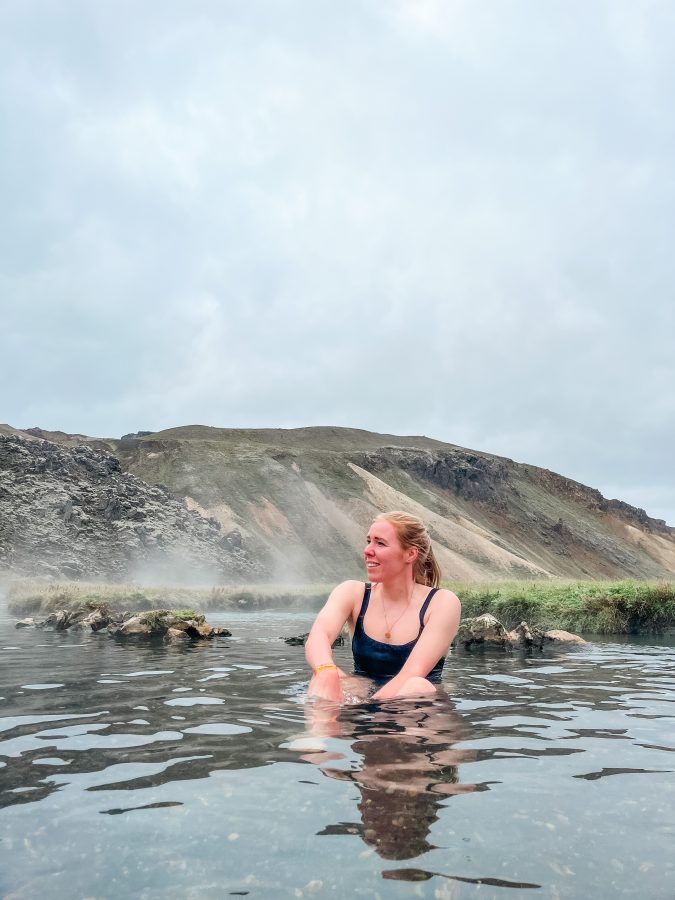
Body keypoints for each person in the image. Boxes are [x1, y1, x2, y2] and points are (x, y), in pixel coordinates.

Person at [305, 511, 461, 702]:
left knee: (417, 685)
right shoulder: (353, 592)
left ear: (410, 554)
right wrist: (326, 670)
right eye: (368, 541)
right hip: (362, 695)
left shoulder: (442, 603)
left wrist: (368, 710)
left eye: (380, 543)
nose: (368, 550)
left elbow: (411, 673)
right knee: (324, 677)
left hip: (416, 710)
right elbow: (319, 636)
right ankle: (321, 731)